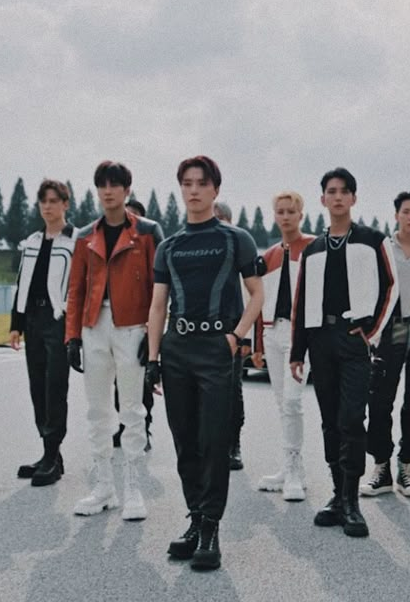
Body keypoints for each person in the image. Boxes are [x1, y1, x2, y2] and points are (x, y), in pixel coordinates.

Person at [145, 156, 264, 572]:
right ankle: (195, 520)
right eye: (187, 183)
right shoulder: (169, 246)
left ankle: (211, 528)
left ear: (215, 190)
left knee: (213, 442)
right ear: (181, 189)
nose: (193, 190)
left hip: (217, 349)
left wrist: (235, 337)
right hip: (177, 349)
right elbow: (158, 304)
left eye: (202, 183)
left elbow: (256, 294)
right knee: (185, 443)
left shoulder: (236, 239)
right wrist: (153, 358)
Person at [291, 167, 398, 538]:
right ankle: (337, 495)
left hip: (354, 340)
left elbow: (391, 287)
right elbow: (301, 302)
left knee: (352, 418)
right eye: (331, 191)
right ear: (322, 199)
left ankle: (352, 502)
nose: (337, 197)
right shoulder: (313, 250)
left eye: (344, 191)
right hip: (320, 340)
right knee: (329, 421)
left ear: (353, 198)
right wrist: (297, 351)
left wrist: (371, 331)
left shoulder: (372, 240)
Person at [65, 161, 164, 521]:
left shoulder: (149, 232)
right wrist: (72, 336)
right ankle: (103, 486)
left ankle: (133, 487)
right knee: (96, 410)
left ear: (127, 190)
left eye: (115, 184)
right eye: (102, 185)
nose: (108, 191)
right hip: (94, 327)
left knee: (132, 410)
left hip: (132, 327)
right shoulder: (84, 236)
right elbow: (75, 289)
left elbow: (160, 290)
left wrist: (155, 339)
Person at [361, 190, 410, 498]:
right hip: (391, 330)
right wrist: (371, 332)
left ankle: (406, 464)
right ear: (396, 215)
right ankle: (380, 466)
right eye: (405, 211)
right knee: (380, 398)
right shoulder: (383, 251)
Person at [10, 179, 78, 486]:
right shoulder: (32, 241)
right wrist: (16, 324)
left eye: (54, 201)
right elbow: (22, 284)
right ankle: (49, 452)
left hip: (59, 319)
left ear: (65, 204)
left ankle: (52, 453)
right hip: (34, 319)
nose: (47, 206)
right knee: (37, 385)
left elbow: (80, 287)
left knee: (54, 386)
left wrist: (76, 328)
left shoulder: (75, 241)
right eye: (43, 202)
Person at [253, 191, 315, 501]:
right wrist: (257, 343)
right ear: (274, 216)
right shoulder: (269, 256)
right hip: (272, 333)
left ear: (301, 214)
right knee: (281, 403)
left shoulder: (315, 247)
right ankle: (291, 466)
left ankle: (293, 471)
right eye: (281, 211)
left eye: (292, 211)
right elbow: (256, 299)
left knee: (292, 401)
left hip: (299, 336)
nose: (286, 216)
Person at [112, 198, 154, 452]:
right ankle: (125, 425)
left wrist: (152, 329)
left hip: (142, 326)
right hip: (116, 327)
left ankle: (143, 428)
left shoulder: (148, 249)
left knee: (142, 383)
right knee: (120, 383)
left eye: (135, 215)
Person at [213, 200, 253, 471]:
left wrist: (246, 338)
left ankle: (233, 445)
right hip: (206, 329)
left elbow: (252, 296)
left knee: (232, 392)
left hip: (234, 330)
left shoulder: (240, 248)